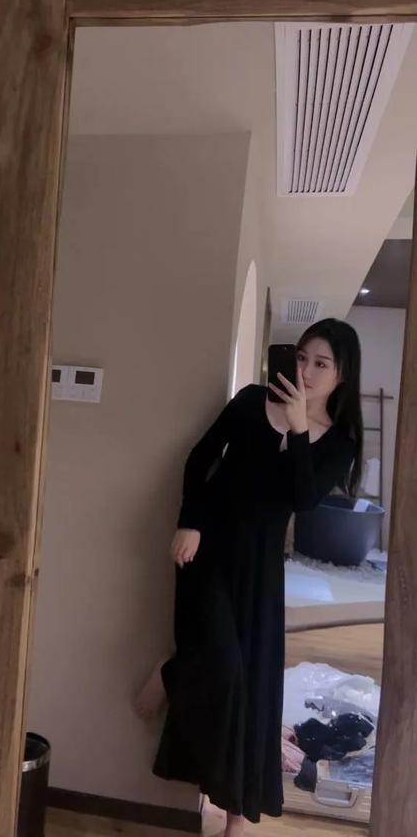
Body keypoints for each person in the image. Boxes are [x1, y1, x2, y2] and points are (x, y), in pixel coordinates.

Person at [135, 318, 363, 836]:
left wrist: (300, 429)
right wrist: (189, 520)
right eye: (301, 358)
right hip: (208, 551)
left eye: (320, 364)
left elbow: (303, 498)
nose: (306, 371)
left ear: (342, 376)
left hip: (260, 570)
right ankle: (174, 673)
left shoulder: (339, 442)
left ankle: (236, 813)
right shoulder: (250, 401)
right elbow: (200, 459)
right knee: (226, 670)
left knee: (253, 691)